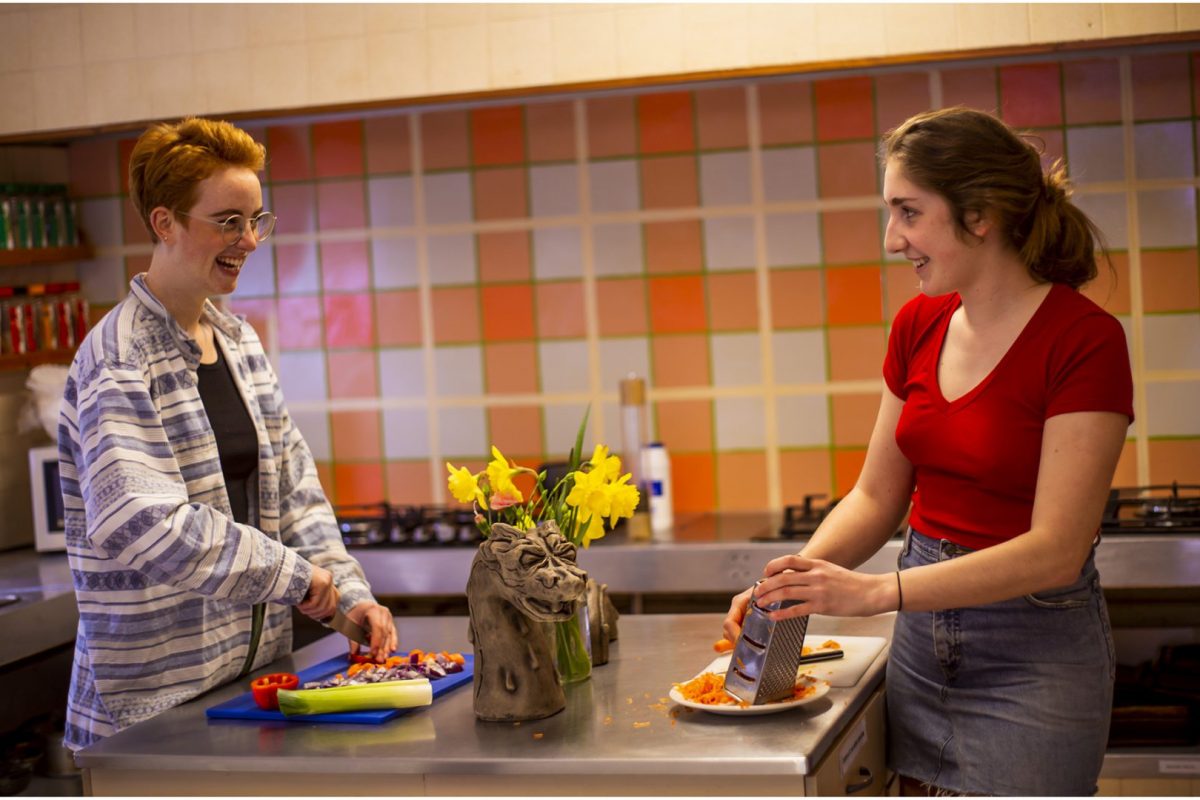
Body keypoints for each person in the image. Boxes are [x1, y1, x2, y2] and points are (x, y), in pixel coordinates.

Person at [723, 107, 1133, 796]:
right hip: (920, 647)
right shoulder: (918, 324)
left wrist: (878, 592)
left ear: (980, 215)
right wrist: (793, 581)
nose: (892, 240)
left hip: (1035, 654)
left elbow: (1058, 547)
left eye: (908, 213)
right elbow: (876, 496)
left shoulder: (1085, 341)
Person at [57, 117, 398, 750]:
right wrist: (295, 578)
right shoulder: (118, 359)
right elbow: (143, 521)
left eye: (256, 219)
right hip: (154, 712)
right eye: (228, 221)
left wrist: (347, 594)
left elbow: (294, 488)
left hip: (248, 691)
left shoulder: (237, 341)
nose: (249, 239)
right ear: (166, 223)